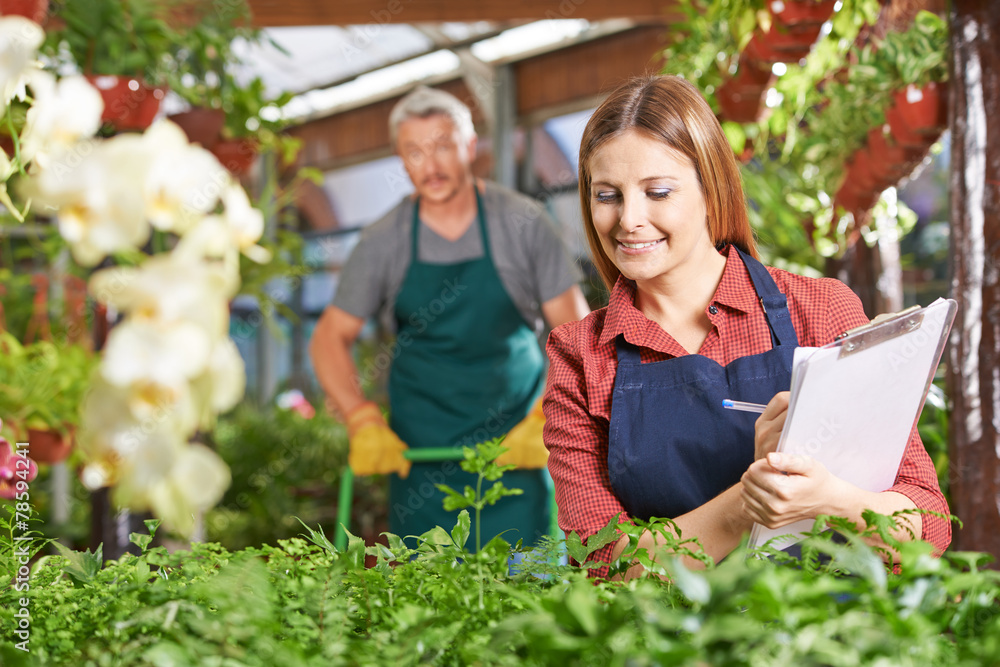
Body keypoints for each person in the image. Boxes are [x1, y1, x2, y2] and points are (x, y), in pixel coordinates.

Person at [542, 75, 951, 579]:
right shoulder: (580, 356)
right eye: (608, 195)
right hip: (672, 651)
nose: (629, 219)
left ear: (710, 189)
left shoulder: (819, 311)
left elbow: (926, 524)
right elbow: (605, 563)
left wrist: (829, 498)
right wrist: (746, 503)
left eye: (658, 191)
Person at [310, 86, 590, 548]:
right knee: (426, 595)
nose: (431, 165)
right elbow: (329, 337)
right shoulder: (383, 240)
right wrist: (361, 418)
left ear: (469, 145)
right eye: (414, 152)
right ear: (401, 160)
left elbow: (575, 330)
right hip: (422, 458)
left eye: (442, 146)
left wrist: (547, 412)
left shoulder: (522, 223)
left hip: (516, 448)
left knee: (527, 593)